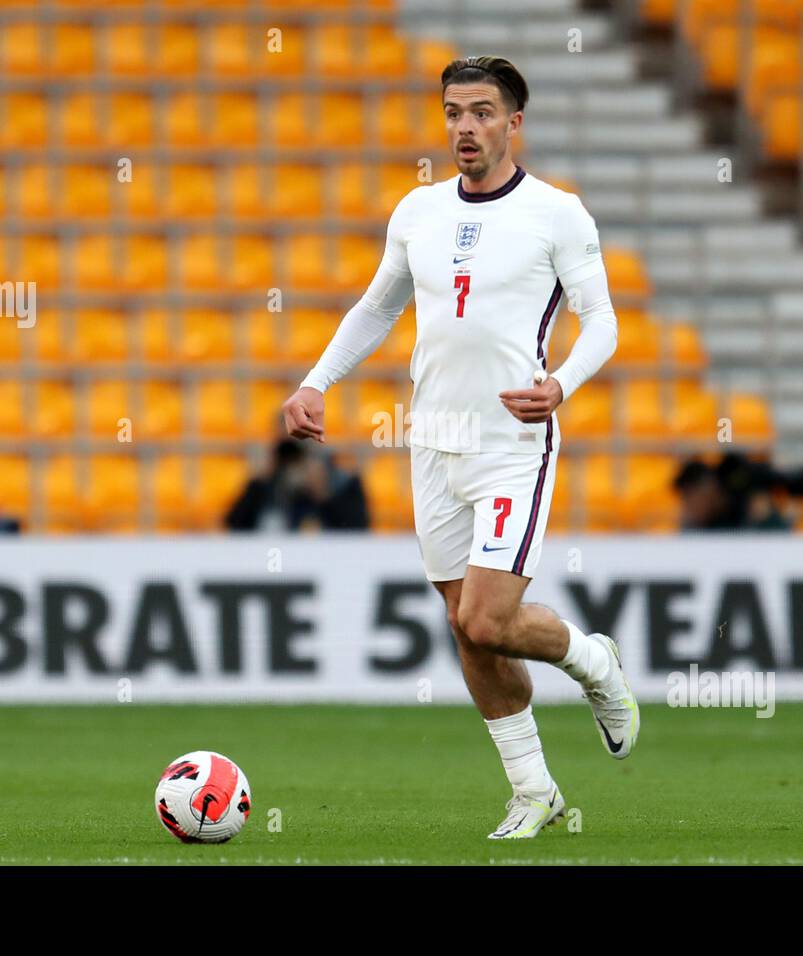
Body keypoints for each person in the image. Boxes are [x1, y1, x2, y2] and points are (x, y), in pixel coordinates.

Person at [280, 56, 635, 840]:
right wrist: (316, 383)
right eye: (452, 113)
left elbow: (603, 321)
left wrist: (563, 383)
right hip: (432, 440)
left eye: (480, 112)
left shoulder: (557, 213)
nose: (463, 128)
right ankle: (535, 790)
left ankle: (593, 662)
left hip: (513, 440)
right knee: (464, 624)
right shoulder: (417, 211)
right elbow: (377, 308)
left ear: (515, 122)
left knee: (487, 616)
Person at [226, 439, 369, 532]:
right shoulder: (265, 488)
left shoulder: (347, 486)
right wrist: (264, 482)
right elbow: (234, 522)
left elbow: (358, 529)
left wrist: (322, 494)